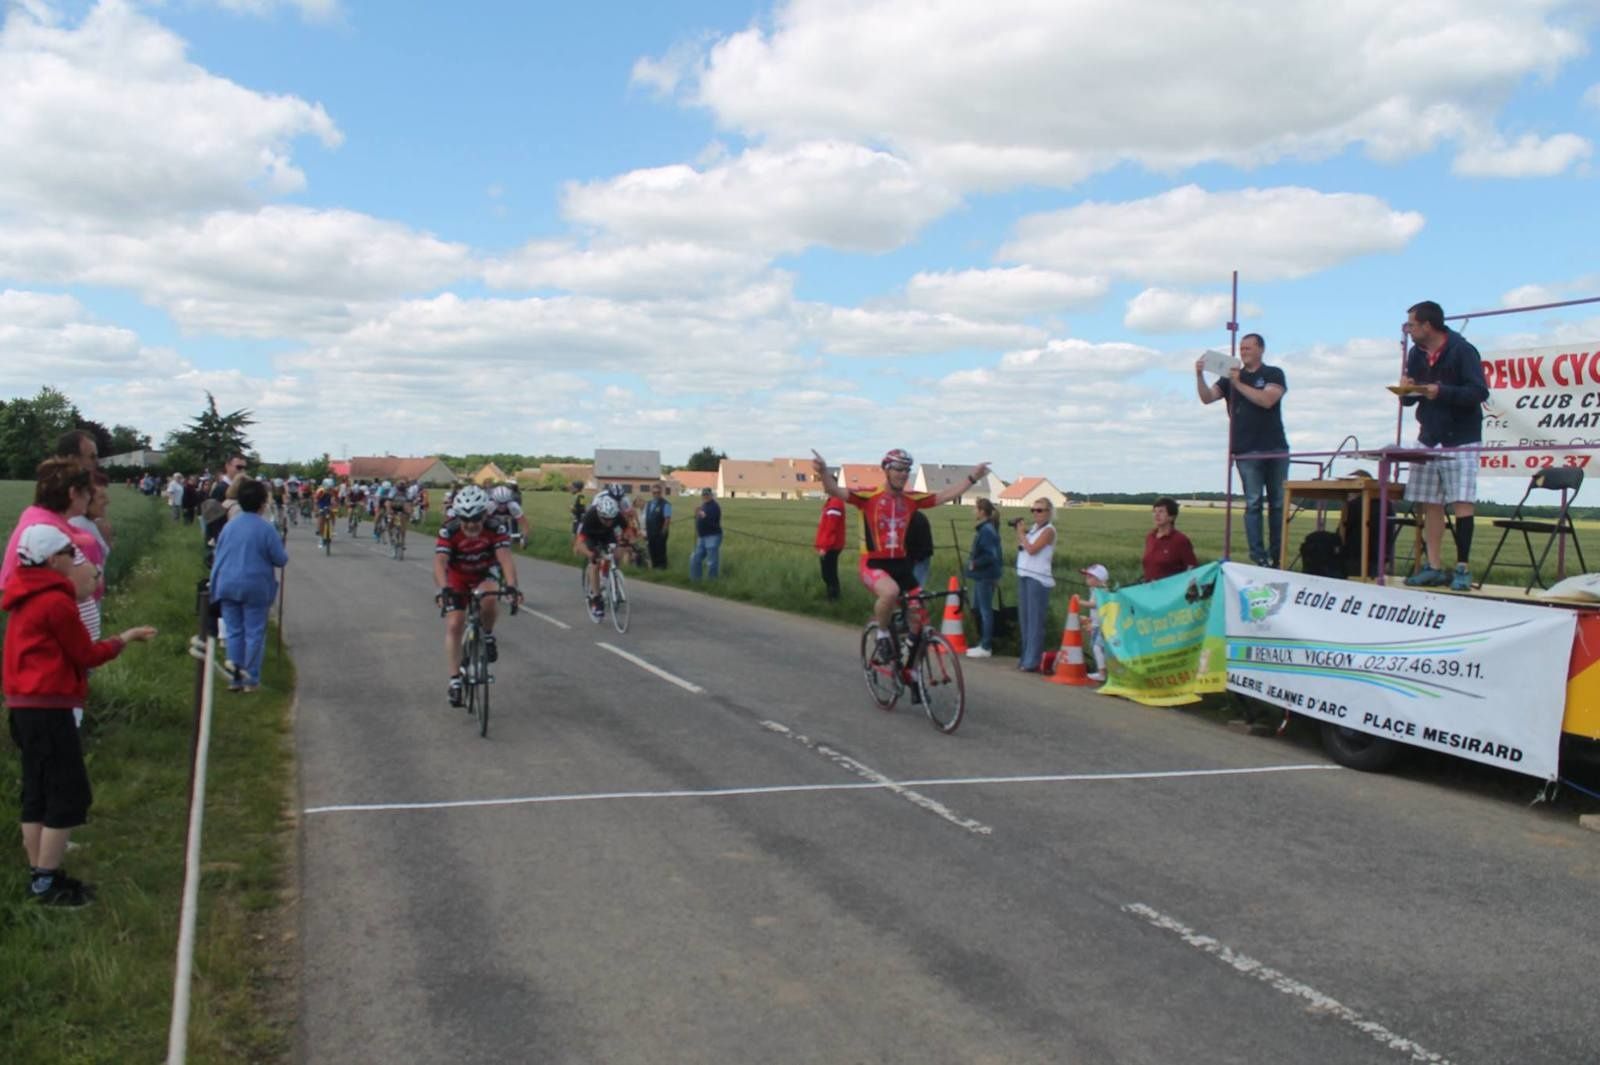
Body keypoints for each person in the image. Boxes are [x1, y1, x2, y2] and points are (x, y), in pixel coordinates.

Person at [4, 525, 157, 907]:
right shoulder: (55, 602)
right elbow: (85, 654)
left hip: (23, 705)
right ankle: (47, 881)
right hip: (50, 704)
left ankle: (40, 875)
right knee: (68, 792)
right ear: (53, 560)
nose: (74, 563)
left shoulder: (24, 595)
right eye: (70, 556)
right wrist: (124, 638)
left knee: (37, 791)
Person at [812, 448, 991, 666]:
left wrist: (972, 478)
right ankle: (882, 633)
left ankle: (911, 669)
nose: (903, 474)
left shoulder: (911, 499)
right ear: (886, 470)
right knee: (890, 592)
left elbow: (945, 496)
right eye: (898, 469)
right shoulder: (868, 496)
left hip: (901, 565)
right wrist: (822, 471)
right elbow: (834, 490)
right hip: (873, 563)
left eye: (907, 469)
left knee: (920, 619)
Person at [1399, 300, 1489, 591]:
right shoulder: (1416, 353)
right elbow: (1409, 398)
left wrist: (1442, 392)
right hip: (1429, 435)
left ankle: (1462, 567)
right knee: (1431, 503)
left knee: (1462, 501)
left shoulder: (1462, 350)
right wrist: (1406, 389)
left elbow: (1478, 392)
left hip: (1460, 437)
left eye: (1411, 324)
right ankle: (1433, 565)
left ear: (1427, 325)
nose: (1408, 330)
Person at [1196, 332, 1288, 567]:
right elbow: (1207, 398)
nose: (1243, 352)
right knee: (1254, 502)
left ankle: (1278, 556)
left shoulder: (1273, 373)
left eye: (1248, 348)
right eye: (1241, 348)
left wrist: (1238, 383)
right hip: (1246, 450)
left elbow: (1267, 400)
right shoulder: (1228, 378)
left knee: (1278, 504)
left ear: (1261, 349)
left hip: (1274, 448)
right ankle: (1259, 556)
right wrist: (1199, 375)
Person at [433, 485, 520, 706]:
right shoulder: (449, 530)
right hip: (458, 575)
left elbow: (505, 559)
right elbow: (440, 562)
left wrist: (512, 586)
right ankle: (454, 681)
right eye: (465, 519)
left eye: (476, 519)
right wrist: (443, 589)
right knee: (455, 624)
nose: (471, 524)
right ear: (458, 516)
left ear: (485, 514)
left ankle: (488, 634)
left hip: (484, 571)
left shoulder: (495, 527)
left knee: (490, 598)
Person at [209, 479, 288, 692]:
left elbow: (219, 553)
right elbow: (280, 559)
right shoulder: (266, 528)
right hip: (255, 586)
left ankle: (235, 678)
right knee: (254, 632)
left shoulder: (229, 526)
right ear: (262, 504)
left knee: (234, 631)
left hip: (227, 583)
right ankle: (250, 679)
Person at [1011, 498, 1056, 672]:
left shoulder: (1049, 531)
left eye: (1040, 510)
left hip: (1038, 578)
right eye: (1034, 510)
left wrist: (1021, 533)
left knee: (1035, 621)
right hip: (1024, 574)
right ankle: (1025, 657)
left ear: (1049, 512)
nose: (1036, 513)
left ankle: (1032, 661)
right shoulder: (1034, 530)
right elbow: (1023, 548)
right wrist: (1022, 535)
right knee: (1025, 620)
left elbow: (1032, 549)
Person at [964, 499, 1003, 658]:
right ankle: (982, 643)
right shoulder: (989, 528)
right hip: (985, 575)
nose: (974, 512)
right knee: (980, 609)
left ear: (981, 511)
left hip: (985, 575)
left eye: (976, 509)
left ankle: (986, 646)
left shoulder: (986, 530)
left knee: (985, 611)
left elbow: (991, 555)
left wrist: (974, 563)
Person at [576, 494, 624, 620]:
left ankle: (608, 576)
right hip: (591, 537)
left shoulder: (617, 515)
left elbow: (628, 530)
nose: (609, 522)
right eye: (605, 519)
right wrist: (589, 554)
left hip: (607, 535)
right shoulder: (590, 517)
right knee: (595, 563)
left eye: (611, 519)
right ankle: (597, 600)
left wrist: (629, 541)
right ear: (599, 514)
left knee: (617, 552)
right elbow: (579, 544)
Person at [1143, 497, 1199, 582]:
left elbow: (1191, 568)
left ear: (1172, 517)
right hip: (1148, 589)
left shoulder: (1180, 540)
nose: (1156, 515)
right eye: (1154, 511)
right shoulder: (1150, 537)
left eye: (1161, 511)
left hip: (1170, 592)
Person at [1080, 563, 1111, 682]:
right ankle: (1102, 671)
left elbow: (1095, 605)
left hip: (1102, 626)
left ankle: (1102, 673)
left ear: (1098, 579)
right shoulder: (1094, 590)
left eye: (1089, 577)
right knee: (1096, 647)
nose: (1086, 579)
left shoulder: (1102, 591)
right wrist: (1089, 622)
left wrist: (1080, 602)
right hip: (1096, 624)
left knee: (1098, 648)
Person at [814, 494, 847, 600]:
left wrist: (824, 547)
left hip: (831, 546)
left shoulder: (835, 502)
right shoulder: (831, 501)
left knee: (829, 574)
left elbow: (831, 527)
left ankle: (833, 598)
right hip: (830, 544)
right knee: (828, 573)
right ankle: (832, 596)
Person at [689, 487, 722, 582]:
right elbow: (701, 516)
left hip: (712, 536)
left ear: (711, 495)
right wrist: (698, 514)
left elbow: (711, 519)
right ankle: (695, 580)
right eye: (704, 495)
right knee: (694, 558)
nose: (705, 496)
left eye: (707, 494)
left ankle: (712, 582)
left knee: (711, 561)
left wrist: (701, 514)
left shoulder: (715, 506)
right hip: (702, 537)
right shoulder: (704, 505)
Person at [645, 483, 673, 569]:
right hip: (650, 531)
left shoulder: (665, 504)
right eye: (654, 493)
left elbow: (667, 519)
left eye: (658, 492)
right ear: (652, 493)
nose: (656, 494)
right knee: (652, 549)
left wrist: (663, 531)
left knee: (660, 550)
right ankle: (654, 566)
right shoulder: (649, 503)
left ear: (661, 493)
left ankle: (662, 567)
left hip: (660, 531)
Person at [908, 509, 934, 590]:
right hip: (913, 557)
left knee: (915, 588)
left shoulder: (917, 519)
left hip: (920, 558)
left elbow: (925, 545)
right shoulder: (919, 517)